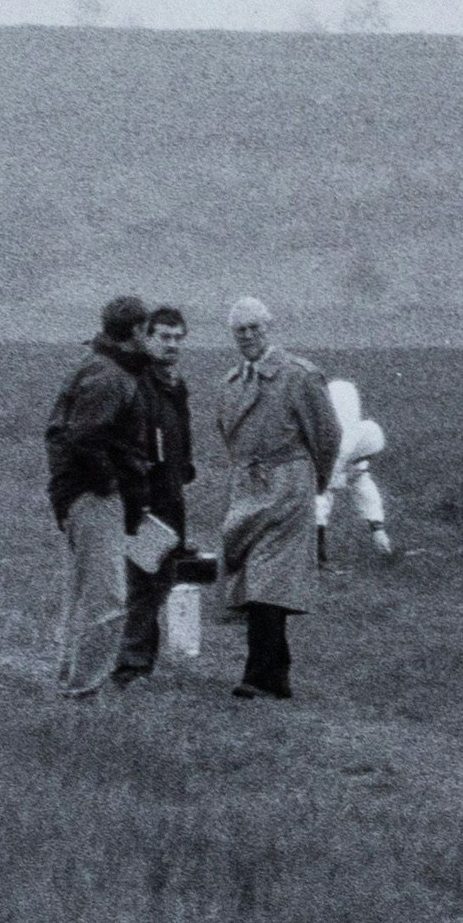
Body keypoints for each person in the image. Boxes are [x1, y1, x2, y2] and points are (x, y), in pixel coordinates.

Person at [217, 297, 343, 699]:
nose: (248, 336)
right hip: (248, 487)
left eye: (254, 328)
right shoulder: (231, 383)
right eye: (240, 330)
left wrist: (313, 481)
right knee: (256, 575)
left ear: (269, 328)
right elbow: (229, 436)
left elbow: (327, 435)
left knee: (268, 578)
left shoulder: (298, 376)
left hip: (288, 485)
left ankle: (255, 675)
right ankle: (278, 674)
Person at [44, 296, 153, 699]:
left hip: (80, 494)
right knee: (107, 596)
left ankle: (70, 680)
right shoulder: (109, 376)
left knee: (82, 593)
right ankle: (84, 689)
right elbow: (84, 437)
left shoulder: (100, 366)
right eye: (146, 329)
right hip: (92, 496)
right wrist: (109, 484)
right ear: (136, 331)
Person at [112, 305, 196, 688]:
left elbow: (180, 435)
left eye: (178, 338)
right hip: (143, 498)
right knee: (143, 580)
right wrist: (137, 495)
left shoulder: (174, 385)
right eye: (164, 337)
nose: (172, 344)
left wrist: (184, 468)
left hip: (171, 495)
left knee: (160, 579)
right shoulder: (137, 383)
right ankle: (130, 665)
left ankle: (140, 660)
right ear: (147, 338)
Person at [315, 378, 396, 564]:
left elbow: (363, 486)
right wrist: (344, 479)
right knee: (318, 500)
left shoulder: (358, 443)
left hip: (338, 443)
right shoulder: (338, 448)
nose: (364, 463)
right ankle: (315, 555)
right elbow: (319, 485)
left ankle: (315, 554)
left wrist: (378, 528)